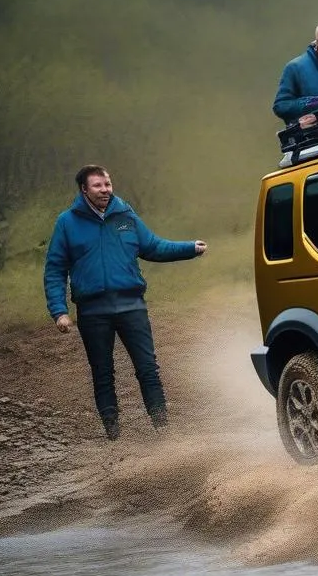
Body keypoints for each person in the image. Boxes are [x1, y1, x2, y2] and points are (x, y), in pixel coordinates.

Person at [44, 165, 207, 439]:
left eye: (107, 184)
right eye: (97, 186)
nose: (105, 190)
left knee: (147, 368)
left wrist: (189, 248)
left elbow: (153, 247)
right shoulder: (67, 223)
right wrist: (59, 311)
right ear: (84, 190)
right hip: (93, 311)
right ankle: (114, 436)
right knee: (102, 373)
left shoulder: (125, 215)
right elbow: (55, 269)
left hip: (132, 306)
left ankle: (162, 429)